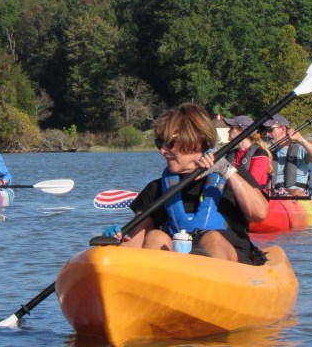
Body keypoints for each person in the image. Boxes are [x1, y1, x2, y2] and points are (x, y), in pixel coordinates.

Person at [103, 103, 269, 265]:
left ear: (195, 141)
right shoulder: (155, 190)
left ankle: (205, 273)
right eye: (159, 143)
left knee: (212, 239)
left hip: (231, 263)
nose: (162, 150)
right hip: (175, 270)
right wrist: (113, 245)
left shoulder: (232, 175)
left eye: (169, 143)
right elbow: (135, 244)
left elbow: (260, 214)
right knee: (155, 237)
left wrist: (227, 171)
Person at [264, 114, 312, 196]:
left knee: (296, 191)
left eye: (270, 129)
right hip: (274, 196)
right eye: (266, 130)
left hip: (297, 195)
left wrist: (300, 139)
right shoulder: (266, 153)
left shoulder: (300, 149)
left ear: (282, 129)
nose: (268, 134)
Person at [224, 115, 272, 189]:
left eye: (231, 128)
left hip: (252, 196)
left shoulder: (260, 154)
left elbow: (252, 184)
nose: (228, 131)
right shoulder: (232, 153)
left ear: (241, 131)